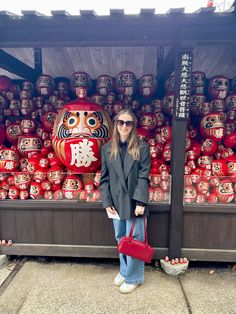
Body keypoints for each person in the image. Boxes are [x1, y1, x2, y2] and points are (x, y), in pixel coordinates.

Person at [99, 108, 150, 294]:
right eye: (121, 122)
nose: (124, 126)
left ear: (133, 125)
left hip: (135, 201)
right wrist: (106, 203)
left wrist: (141, 202)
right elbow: (103, 178)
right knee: (121, 238)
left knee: (135, 239)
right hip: (115, 202)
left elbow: (144, 176)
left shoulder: (142, 147)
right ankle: (124, 270)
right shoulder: (106, 148)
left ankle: (134, 277)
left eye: (128, 123)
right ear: (116, 124)